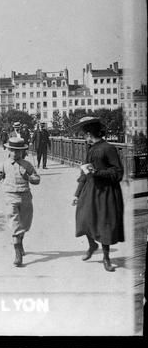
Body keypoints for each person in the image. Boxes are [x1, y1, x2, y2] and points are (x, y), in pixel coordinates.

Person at [71, 116, 124, 272]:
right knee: (83, 218)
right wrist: (76, 194)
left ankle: (106, 258)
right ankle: (92, 245)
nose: (83, 138)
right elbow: (84, 172)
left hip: (106, 192)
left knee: (104, 223)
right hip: (90, 189)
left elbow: (118, 172)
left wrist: (98, 172)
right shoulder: (91, 149)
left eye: (84, 135)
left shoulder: (108, 148)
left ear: (89, 134)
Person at [0, 137, 40, 267]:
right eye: (13, 150)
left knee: (25, 224)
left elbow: (37, 179)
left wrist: (29, 177)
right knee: (15, 225)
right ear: (8, 150)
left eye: (18, 151)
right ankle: (18, 255)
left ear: (22, 152)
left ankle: (20, 242)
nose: (15, 153)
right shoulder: (4, 165)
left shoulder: (27, 165)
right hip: (10, 197)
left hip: (25, 198)